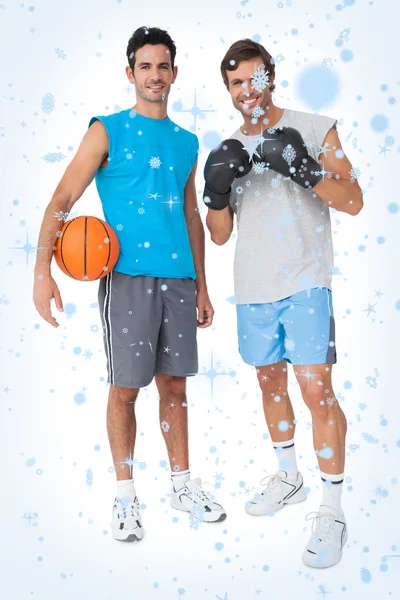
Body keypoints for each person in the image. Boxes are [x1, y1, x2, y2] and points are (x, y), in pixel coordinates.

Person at [33, 26, 226, 543]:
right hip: (127, 280)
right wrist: (40, 272)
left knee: (176, 387)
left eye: (163, 67)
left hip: (180, 281)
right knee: (125, 390)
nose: (155, 76)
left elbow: (190, 216)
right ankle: (124, 498)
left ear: (175, 74)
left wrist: (202, 285)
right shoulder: (107, 130)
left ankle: (182, 485)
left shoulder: (187, 142)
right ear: (130, 73)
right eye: (145, 67)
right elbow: (61, 199)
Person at [203, 39, 363, 568]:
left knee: (318, 389)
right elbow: (220, 235)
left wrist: (308, 169)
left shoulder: (315, 127)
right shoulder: (229, 145)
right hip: (253, 286)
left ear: (272, 75)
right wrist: (217, 192)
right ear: (227, 91)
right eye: (236, 83)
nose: (246, 91)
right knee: (269, 381)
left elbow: (355, 200)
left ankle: (333, 509)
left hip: (306, 280)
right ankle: (289, 476)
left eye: (254, 78)